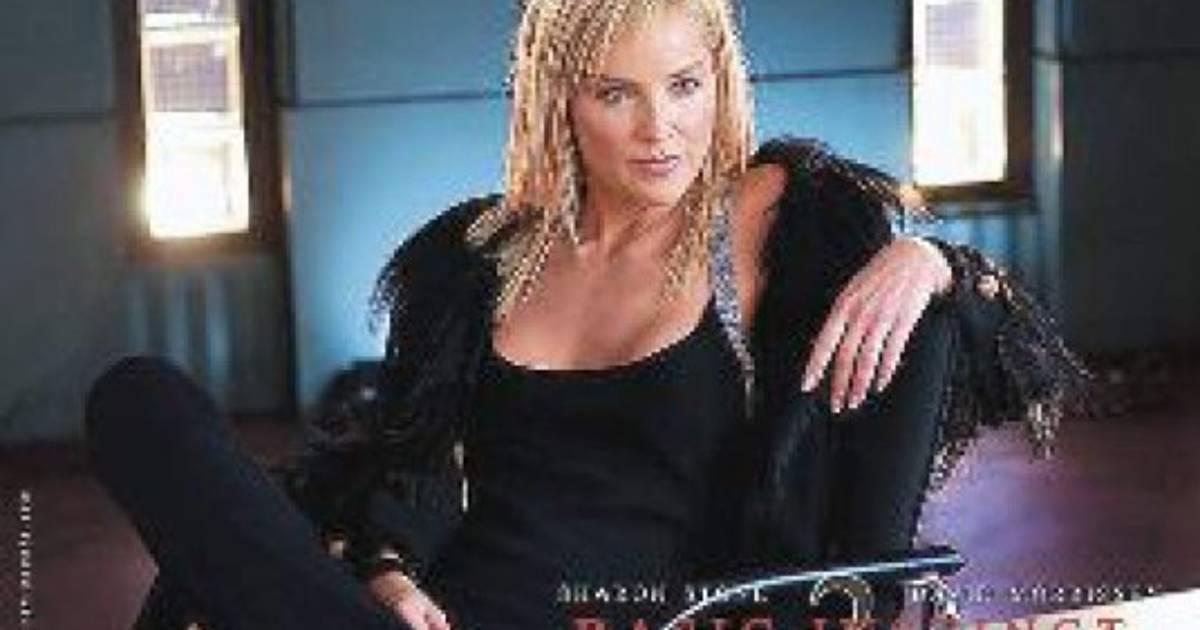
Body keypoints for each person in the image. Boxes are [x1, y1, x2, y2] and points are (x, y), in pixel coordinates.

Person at [84, 0, 1089, 629]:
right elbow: (409, 467)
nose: (661, 130)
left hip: (644, 616)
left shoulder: (777, 219)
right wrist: (389, 572)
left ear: (720, 79)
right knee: (138, 400)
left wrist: (940, 263)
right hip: (437, 616)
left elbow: (1002, 359)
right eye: (617, 94)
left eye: (684, 86)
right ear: (558, 101)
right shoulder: (478, 257)